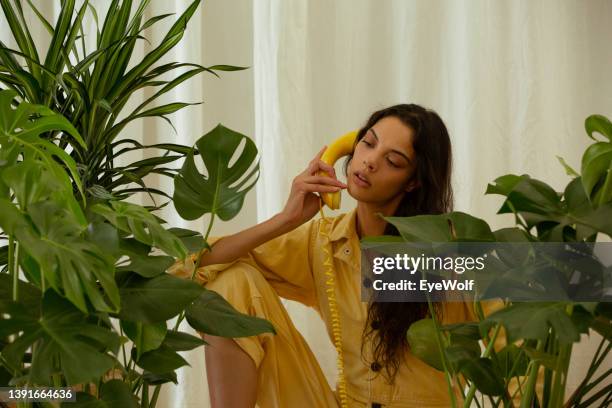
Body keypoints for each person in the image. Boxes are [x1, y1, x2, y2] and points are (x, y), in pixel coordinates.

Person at [170, 104, 502, 407]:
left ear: (413, 182)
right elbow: (183, 265)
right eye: (368, 144)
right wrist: (285, 220)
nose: (370, 161)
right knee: (230, 283)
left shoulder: (452, 248)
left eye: (393, 160)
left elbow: (523, 336)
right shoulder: (323, 241)